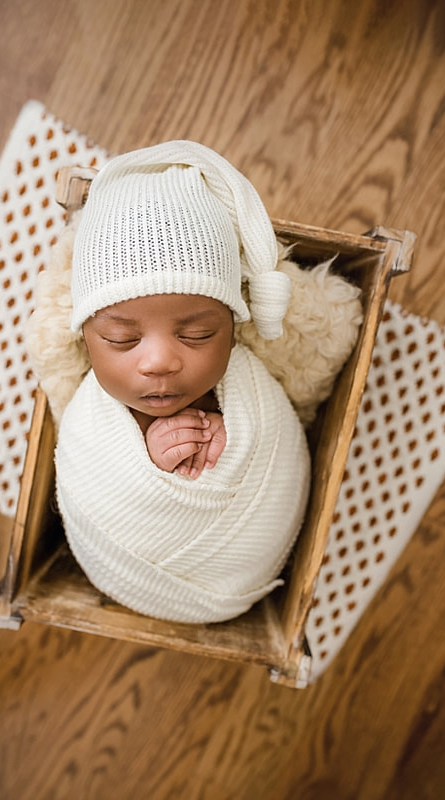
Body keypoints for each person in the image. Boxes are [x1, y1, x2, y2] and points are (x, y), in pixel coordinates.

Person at [53, 140, 311, 624]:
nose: (159, 362)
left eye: (197, 334)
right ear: (86, 338)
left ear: (235, 327)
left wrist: (231, 450)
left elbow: (276, 450)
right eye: (122, 339)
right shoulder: (92, 419)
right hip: (127, 566)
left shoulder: (249, 390)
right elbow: (91, 472)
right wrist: (147, 461)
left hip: (242, 566)